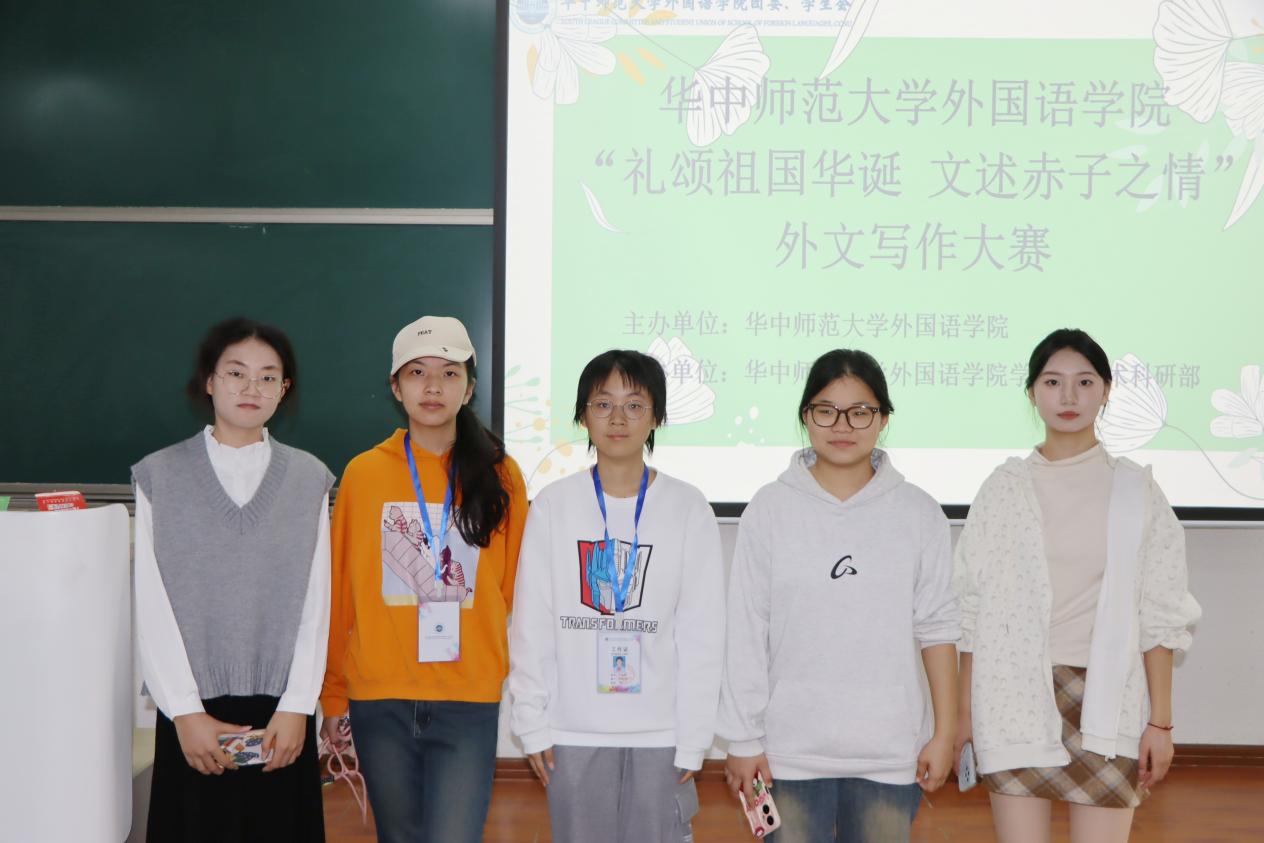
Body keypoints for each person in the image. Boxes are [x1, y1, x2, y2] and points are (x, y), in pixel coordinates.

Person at [953, 328, 1201, 843]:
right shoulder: (1004, 488)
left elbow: (1160, 613)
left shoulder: (1136, 489)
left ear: (1106, 391)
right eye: (1052, 382)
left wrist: (1160, 723)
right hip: (1012, 695)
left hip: (1109, 698)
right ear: (1031, 393)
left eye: (1084, 382)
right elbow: (971, 611)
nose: (1068, 397)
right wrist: (962, 717)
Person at [719, 349, 960, 843]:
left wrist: (944, 733)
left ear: (883, 419)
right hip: (787, 752)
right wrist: (742, 738)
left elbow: (938, 628)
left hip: (889, 753)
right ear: (805, 416)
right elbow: (746, 627)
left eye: (860, 411)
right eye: (826, 410)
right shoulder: (770, 508)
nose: (842, 425)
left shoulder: (918, 513)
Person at [318, 315, 528, 843]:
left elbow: (513, 590)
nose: (433, 386)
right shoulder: (364, 474)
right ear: (396, 387)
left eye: (449, 373)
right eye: (417, 372)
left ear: (469, 388)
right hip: (380, 697)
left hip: (467, 697)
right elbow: (340, 592)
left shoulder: (501, 475)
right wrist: (333, 695)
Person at [508, 349, 725, 843]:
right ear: (583, 416)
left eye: (635, 405)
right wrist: (533, 724)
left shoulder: (687, 507)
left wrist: (694, 738)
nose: (618, 419)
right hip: (572, 731)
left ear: (656, 417)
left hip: (661, 734)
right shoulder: (554, 506)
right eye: (603, 404)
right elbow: (532, 626)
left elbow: (702, 634)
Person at [133, 317, 333, 842]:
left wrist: (298, 705)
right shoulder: (159, 476)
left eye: (268, 377)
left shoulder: (309, 478)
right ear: (209, 380)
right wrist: (184, 711)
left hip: (281, 716)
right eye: (236, 372)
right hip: (192, 714)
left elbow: (316, 604)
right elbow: (150, 606)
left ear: (284, 389)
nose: (252, 387)